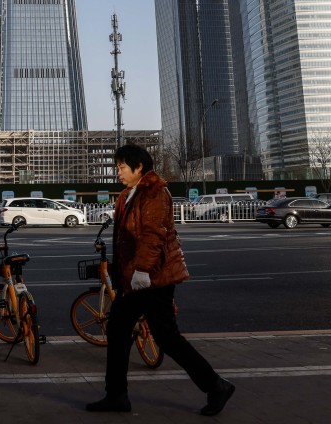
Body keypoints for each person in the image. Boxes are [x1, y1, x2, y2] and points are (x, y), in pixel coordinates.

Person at [85, 143, 235, 417]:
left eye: (121, 167)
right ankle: (116, 395)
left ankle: (216, 386)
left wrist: (142, 270)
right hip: (135, 280)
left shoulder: (154, 192)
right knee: (119, 331)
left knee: (166, 337)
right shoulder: (128, 195)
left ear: (138, 167)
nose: (117, 172)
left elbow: (153, 234)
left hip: (154, 279)